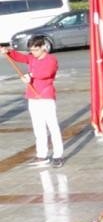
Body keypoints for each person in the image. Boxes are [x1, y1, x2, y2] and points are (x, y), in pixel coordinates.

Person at [2, 35, 64, 167]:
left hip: (46, 96)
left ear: (43, 47)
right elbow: (21, 57)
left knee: (52, 126)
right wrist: (8, 51)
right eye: (31, 50)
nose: (33, 53)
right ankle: (42, 155)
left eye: (36, 49)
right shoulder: (31, 57)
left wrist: (31, 76)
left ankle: (58, 155)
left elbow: (46, 72)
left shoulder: (51, 59)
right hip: (32, 97)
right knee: (38, 127)